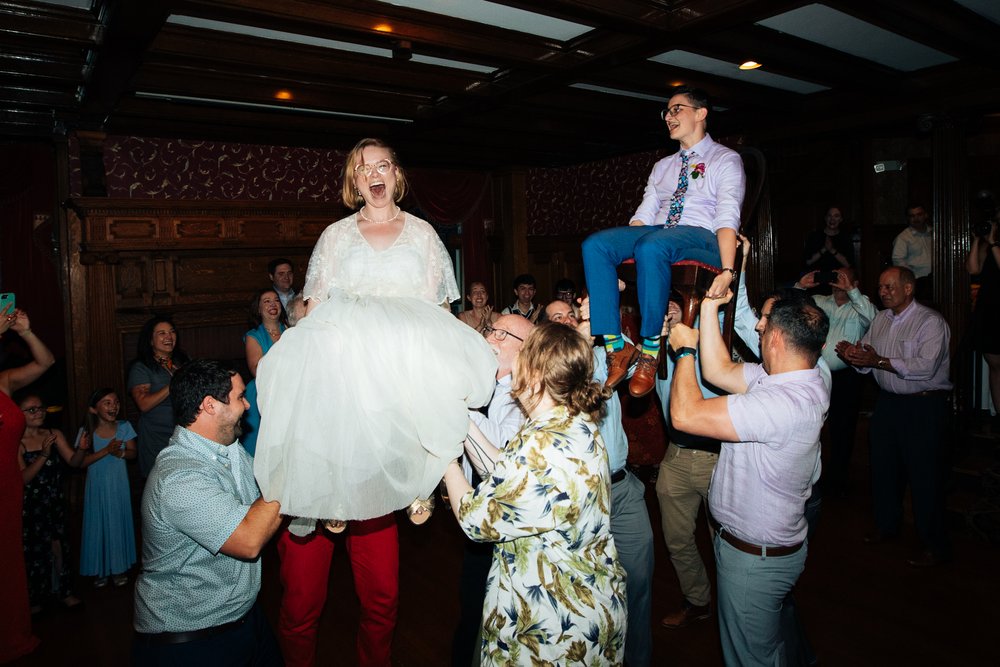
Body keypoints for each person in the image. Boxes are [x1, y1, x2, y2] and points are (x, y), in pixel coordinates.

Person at [253, 137, 496, 524]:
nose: (373, 174)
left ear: (396, 174)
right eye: (363, 169)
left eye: (381, 165)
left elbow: (440, 306)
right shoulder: (336, 235)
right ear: (355, 181)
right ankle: (336, 489)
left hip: (407, 340)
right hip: (352, 341)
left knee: (423, 382)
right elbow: (316, 303)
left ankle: (423, 479)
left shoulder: (422, 233)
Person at [443, 322, 627, 665]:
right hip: (588, 600)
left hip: (553, 625)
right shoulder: (570, 421)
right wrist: (460, 420)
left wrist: (445, 459)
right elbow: (506, 471)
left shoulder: (542, 445)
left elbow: (475, 520)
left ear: (534, 374)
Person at [669, 290, 830, 666]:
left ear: (775, 338)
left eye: (764, 324)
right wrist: (709, 308)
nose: (757, 327)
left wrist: (685, 353)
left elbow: (685, 416)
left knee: (750, 659)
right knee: (762, 647)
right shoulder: (796, 378)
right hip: (753, 550)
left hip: (754, 561)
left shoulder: (782, 404)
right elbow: (719, 371)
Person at [582, 86, 745, 399]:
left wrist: (727, 269)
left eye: (676, 109)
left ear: (700, 114)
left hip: (702, 237)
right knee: (596, 245)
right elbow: (642, 218)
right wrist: (620, 255)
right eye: (666, 112)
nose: (669, 117)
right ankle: (616, 346)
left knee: (652, 245)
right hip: (659, 234)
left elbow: (727, 218)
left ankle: (650, 347)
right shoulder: (663, 167)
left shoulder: (725, 160)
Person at [275, 296, 400, 667]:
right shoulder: (283, 370)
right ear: (297, 330)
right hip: (306, 494)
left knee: (383, 596)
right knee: (300, 604)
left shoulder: (368, 365)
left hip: (366, 488)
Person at [133, 359, 282, 665]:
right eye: (240, 397)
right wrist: (292, 464)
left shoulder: (230, 449)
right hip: (190, 639)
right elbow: (249, 539)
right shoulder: (178, 478)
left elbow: (261, 507)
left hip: (243, 617)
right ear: (210, 406)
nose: (247, 406)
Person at [541, 298, 655, 667]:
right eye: (556, 318)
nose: (567, 320)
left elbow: (638, 360)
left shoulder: (604, 352)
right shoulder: (553, 375)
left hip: (622, 489)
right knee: (590, 590)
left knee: (638, 582)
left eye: (570, 314)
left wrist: (601, 321)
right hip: (582, 499)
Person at [836, 266, 952, 567]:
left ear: (909, 288)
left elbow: (924, 368)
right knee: (884, 469)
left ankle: (933, 544)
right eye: (881, 287)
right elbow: (870, 360)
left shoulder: (930, 322)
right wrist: (856, 357)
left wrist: (877, 359)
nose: (883, 292)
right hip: (888, 404)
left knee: (925, 475)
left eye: (889, 287)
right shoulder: (881, 320)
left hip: (923, 406)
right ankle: (886, 526)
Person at [451, 313, 533, 667]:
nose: (490, 337)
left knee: (493, 611)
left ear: (524, 349)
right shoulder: (478, 381)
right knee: (470, 606)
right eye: (491, 329)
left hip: (504, 522)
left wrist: (453, 406)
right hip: (473, 507)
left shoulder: (524, 395)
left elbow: (496, 458)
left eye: (502, 333)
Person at [795, 267, 876, 495]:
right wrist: (801, 286)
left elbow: (873, 320)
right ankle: (808, 476)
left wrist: (852, 291)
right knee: (811, 426)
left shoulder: (861, 305)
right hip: (815, 374)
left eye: (844, 276)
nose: (838, 280)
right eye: (835, 276)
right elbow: (789, 310)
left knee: (843, 429)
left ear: (855, 282)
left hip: (847, 377)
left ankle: (838, 479)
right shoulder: (819, 301)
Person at [0, 308, 50, 662]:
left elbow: (45, 362)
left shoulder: (4, 381)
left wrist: (27, 332)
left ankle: (10, 635)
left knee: (7, 561)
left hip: (8, 483)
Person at [18, 392, 85, 611]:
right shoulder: (16, 443)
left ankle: (64, 592)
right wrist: (44, 455)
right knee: (36, 550)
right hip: (32, 505)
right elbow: (24, 478)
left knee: (59, 545)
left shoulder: (53, 434)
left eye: (41, 408)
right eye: (31, 409)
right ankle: (37, 597)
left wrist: (82, 449)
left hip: (54, 500)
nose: (38, 413)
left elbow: (73, 462)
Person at [77, 388, 138, 588]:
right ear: (94, 409)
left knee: (117, 522)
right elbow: (81, 462)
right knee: (98, 523)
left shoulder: (124, 426)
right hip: (97, 486)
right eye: (107, 402)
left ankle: (119, 568)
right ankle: (99, 570)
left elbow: (132, 453)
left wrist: (120, 454)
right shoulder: (87, 431)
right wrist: (106, 450)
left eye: (116, 402)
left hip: (118, 484)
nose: (113, 406)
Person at [128, 316, 189, 478]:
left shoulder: (181, 362)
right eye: (162, 333)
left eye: (171, 332)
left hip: (182, 433)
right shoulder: (141, 367)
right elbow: (143, 404)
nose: (169, 336)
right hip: (156, 437)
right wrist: (173, 382)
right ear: (150, 340)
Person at [241, 288, 288, 456]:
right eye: (266, 301)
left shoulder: (291, 331)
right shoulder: (253, 336)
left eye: (276, 300)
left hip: (290, 389)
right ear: (259, 309)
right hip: (263, 391)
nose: (273, 304)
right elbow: (256, 369)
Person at [966, 216, 1000, 430]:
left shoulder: (996, 246)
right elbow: (972, 269)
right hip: (989, 310)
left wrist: (995, 242)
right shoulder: (987, 246)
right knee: (995, 366)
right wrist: (978, 240)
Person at [892, 204, 933, 300]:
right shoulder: (903, 237)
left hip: (937, 280)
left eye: (919, 214)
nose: (916, 218)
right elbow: (898, 261)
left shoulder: (934, 233)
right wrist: (913, 278)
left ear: (925, 215)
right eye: (912, 216)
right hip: (918, 282)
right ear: (908, 218)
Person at [803, 206, 853, 273]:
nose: (832, 219)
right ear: (825, 218)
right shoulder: (814, 236)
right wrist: (824, 249)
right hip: (816, 277)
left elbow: (848, 265)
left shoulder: (846, 238)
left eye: (836, 216)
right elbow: (808, 262)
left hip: (839, 278)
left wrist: (832, 250)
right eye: (829, 216)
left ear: (841, 219)